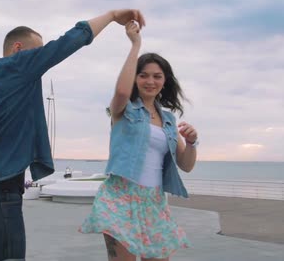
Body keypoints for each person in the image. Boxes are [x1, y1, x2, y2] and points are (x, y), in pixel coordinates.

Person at [0, 9, 146, 261]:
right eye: (36, 51)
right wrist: (112, 16)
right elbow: (70, 41)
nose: (39, 60)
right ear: (17, 49)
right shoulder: (19, 67)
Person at [80, 22, 199, 261]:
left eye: (157, 76)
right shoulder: (123, 111)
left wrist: (193, 143)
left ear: (165, 81)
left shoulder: (167, 119)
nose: (150, 81)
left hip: (154, 202)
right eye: (143, 75)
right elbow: (122, 92)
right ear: (134, 78)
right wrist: (135, 45)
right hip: (120, 198)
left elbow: (186, 165)